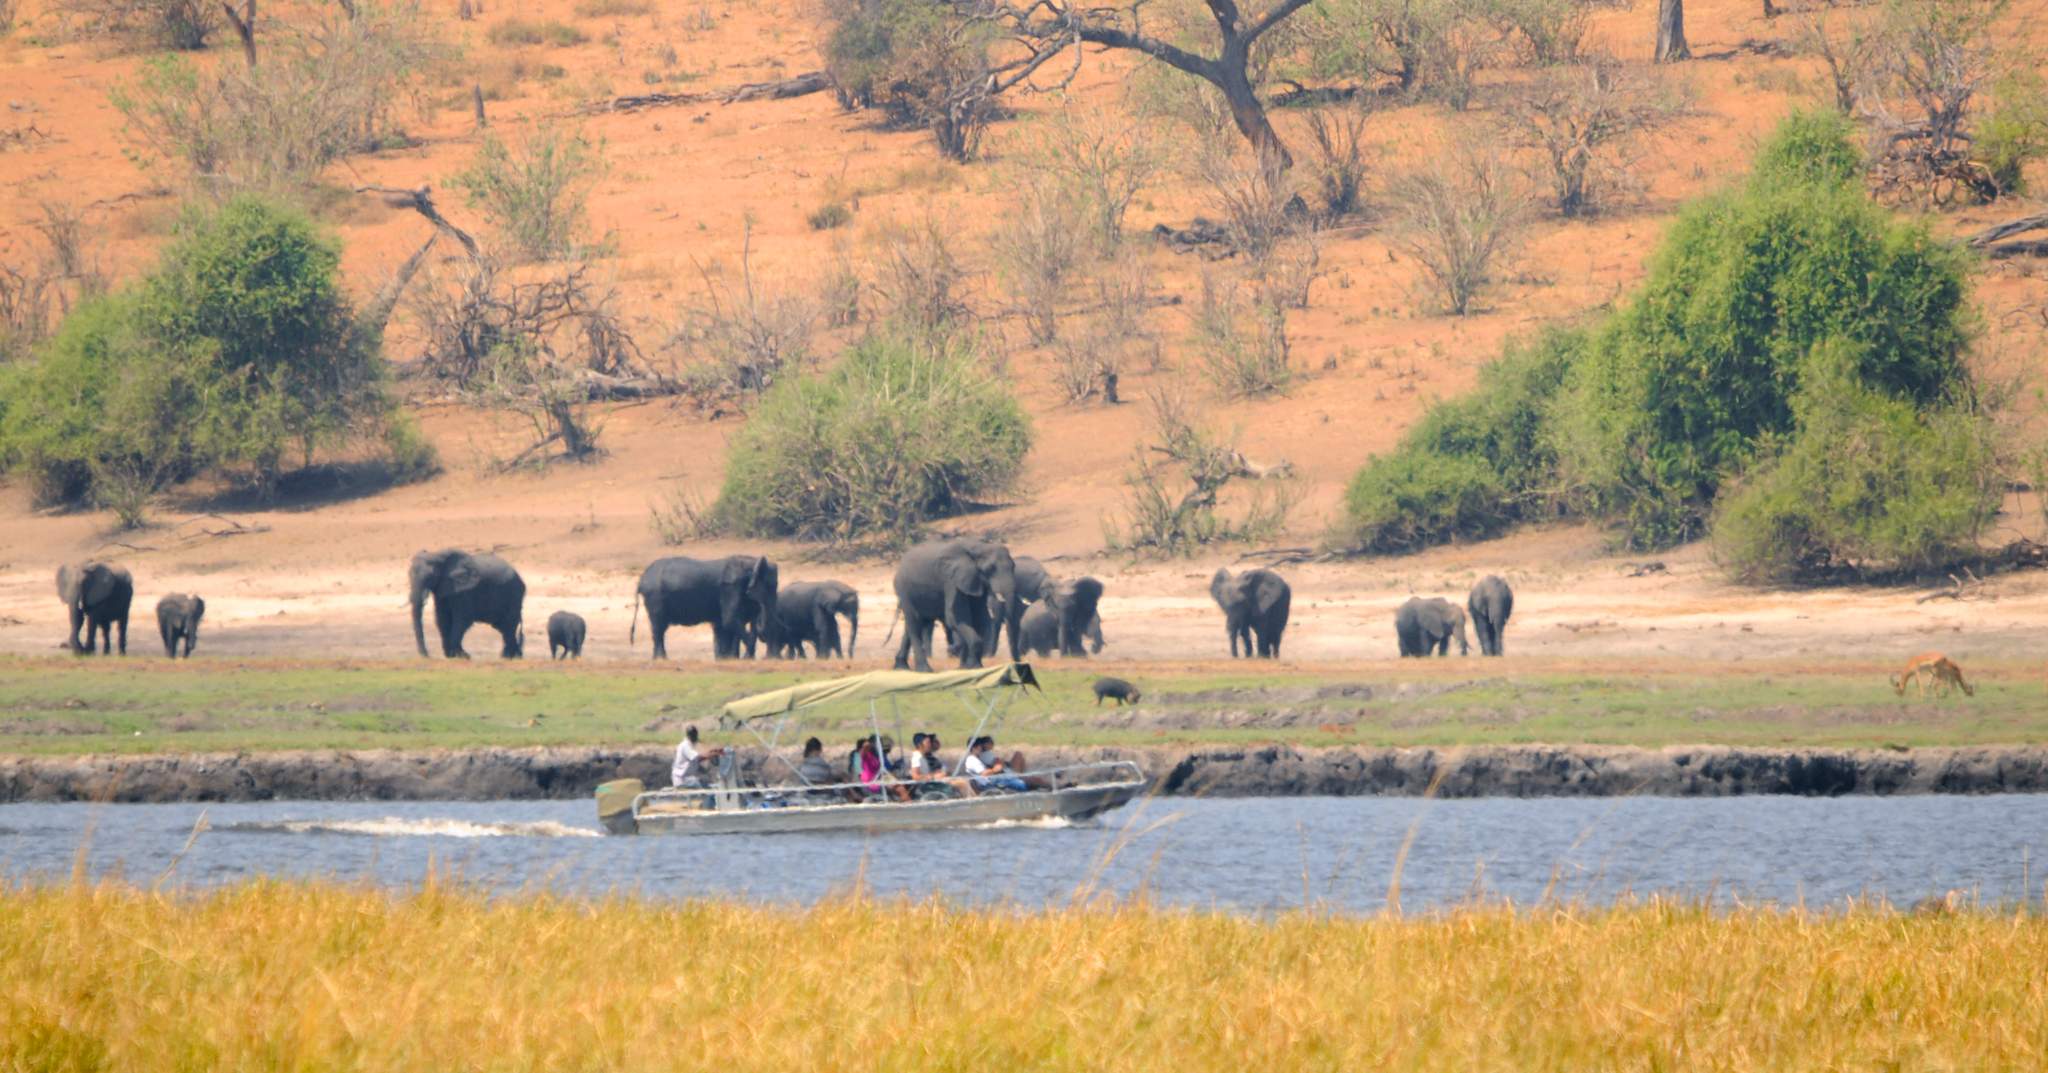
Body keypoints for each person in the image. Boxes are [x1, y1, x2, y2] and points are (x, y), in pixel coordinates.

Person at [962, 735, 1029, 794]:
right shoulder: (972, 760)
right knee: (1022, 784)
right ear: (974, 748)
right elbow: (984, 774)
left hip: (994, 780)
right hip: (991, 784)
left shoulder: (976, 758)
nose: (981, 749)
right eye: (980, 746)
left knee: (1022, 781)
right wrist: (995, 769)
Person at [671, 725, 724, 791]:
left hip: (686, 779)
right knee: (701, 784)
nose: (696, 738)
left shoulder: (688, 745)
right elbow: (698, 758)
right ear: (690, 736)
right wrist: (714, 754)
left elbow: (698, 758)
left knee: (705, 781)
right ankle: (707, 796)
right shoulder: (684, 746)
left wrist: (713, 751)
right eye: (694, 736)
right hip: (681, 780)